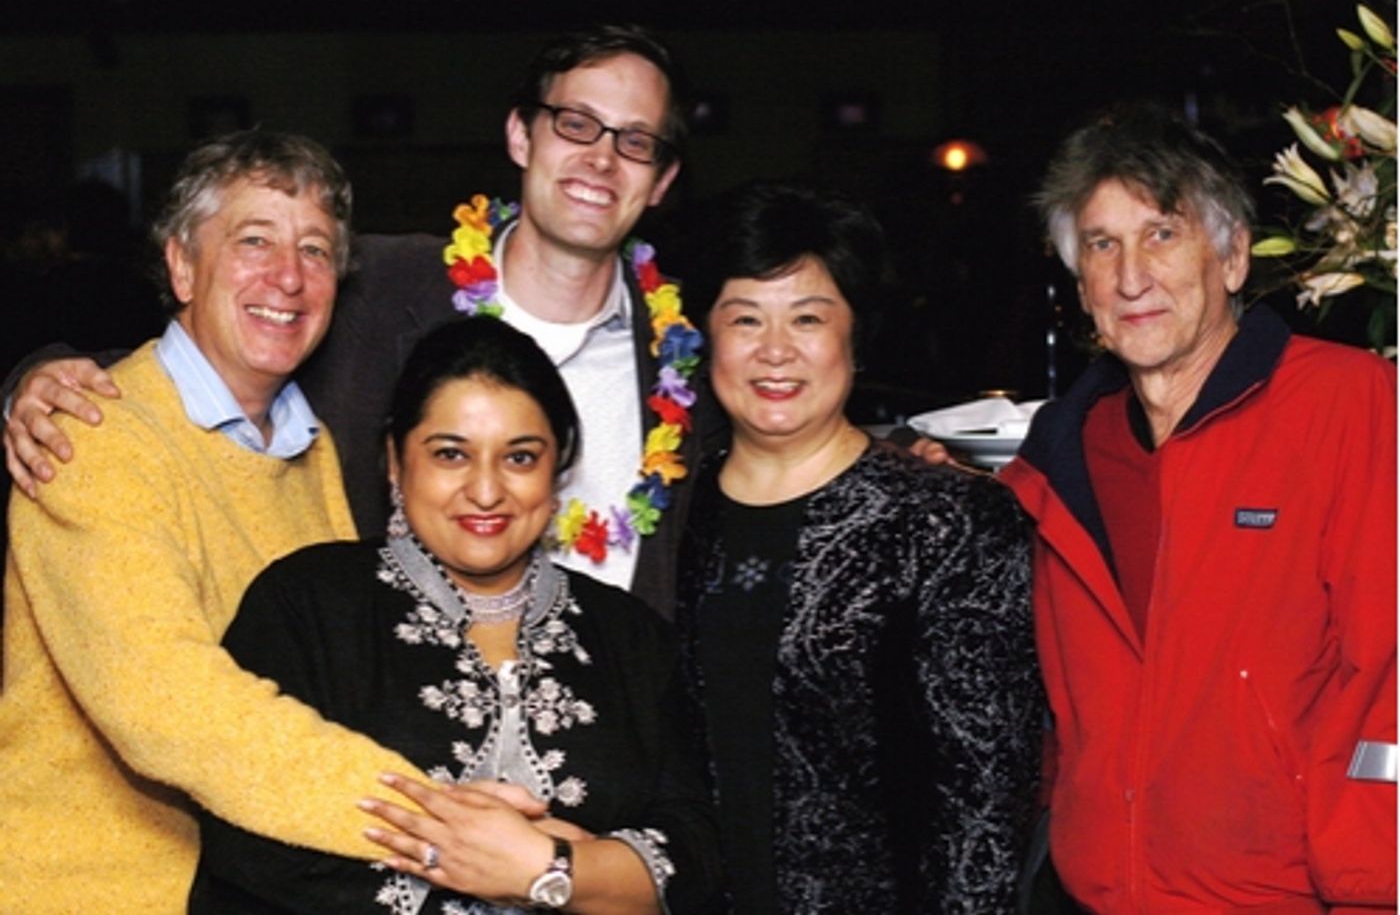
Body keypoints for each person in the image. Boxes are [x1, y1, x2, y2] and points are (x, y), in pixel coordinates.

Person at [3, 24, 715, 614]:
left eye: (636, 141)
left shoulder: (690, 352)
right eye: (576, 124)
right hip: (377, 718)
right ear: (521, 136)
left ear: (662, 179)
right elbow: (214, 344)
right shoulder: (380, 284)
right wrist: (40, 378)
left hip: (613, 720)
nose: (601, 159)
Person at [0, 130, 429, 914]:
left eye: (315, 249)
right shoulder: (95, 435)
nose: (288, 276)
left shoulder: (310, 450)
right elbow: (172, 708)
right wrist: (430, 820)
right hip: (94, 891)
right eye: (254, 240)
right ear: (182, 266)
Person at [999, 104, 1397, 911]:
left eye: (1162, 234)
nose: (1131, 277)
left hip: (1290, 896)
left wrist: (1369, 886)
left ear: (1234, 257)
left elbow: (1389, 664)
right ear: (1081, 287)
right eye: (1102, 245)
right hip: (1098, 894)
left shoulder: (1346, 402)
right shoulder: (1062, 454)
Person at [188, 317, 719, 913]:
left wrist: (546, 868)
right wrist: (479, 863)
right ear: (395, 461)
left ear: (557, 470)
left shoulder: (629, 636)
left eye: (520, 457)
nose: (486, 491)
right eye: (450, 454)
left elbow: (696, 852)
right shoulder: (307, 604)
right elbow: (248, 829)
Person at [676, 181, 1042, 912]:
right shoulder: (671, 516)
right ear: (705, 336)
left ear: (855, 336)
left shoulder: (948, 523)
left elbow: (986, 810)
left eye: (808, 318)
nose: (774, 351)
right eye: (745, 318)